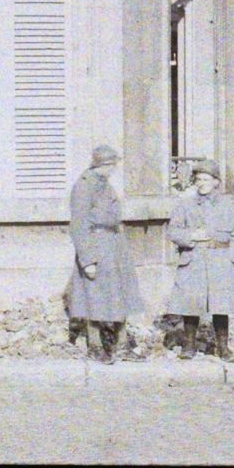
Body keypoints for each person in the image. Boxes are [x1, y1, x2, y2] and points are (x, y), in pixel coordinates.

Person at [165, 160, 234, 360]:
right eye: (198, 179)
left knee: (221, 305)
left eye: (206, 179)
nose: (202, 183)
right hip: (194, 258)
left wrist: (232, 258)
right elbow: (172, 231)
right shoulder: (185, 205)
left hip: (220, 259)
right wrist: (191, 236)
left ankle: (222, 348)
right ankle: (189, 346)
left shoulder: (228, 205)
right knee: (190, 303)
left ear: (216, 182)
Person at [67, 143, 139, 363]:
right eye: (112, 165)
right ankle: (95, 345)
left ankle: (121, 344)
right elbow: (79, 225)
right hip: (96, 244)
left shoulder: (104, 184)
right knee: (94, 296)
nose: (114, 169)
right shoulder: (84, 186)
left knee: (118, 295)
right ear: (103, 165)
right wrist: (87, 259)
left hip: (113, 245)